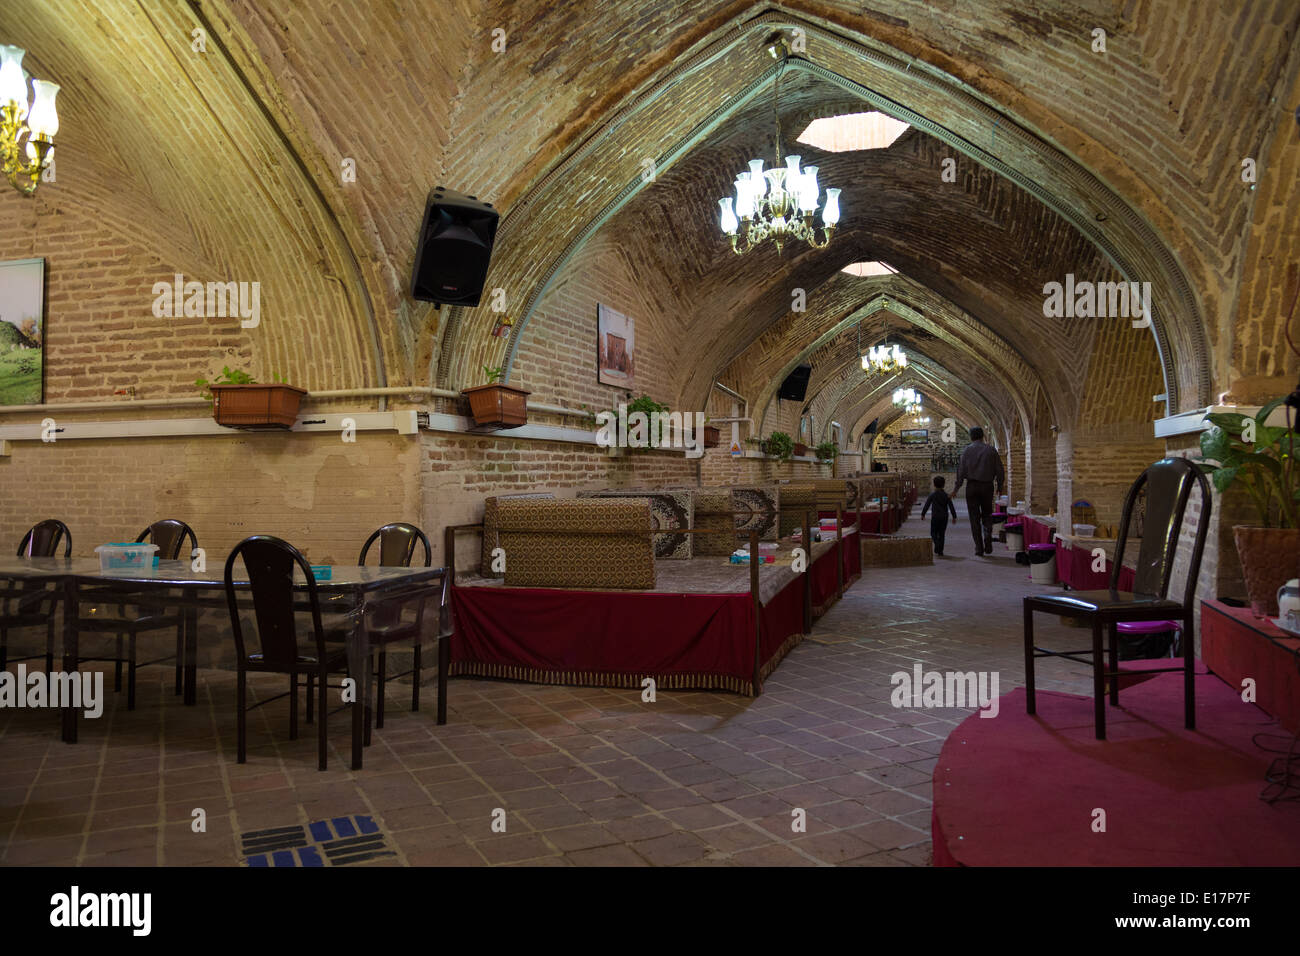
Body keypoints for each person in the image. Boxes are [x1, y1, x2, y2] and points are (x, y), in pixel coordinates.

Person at [952, 426, 1005, 557]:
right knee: (987, 514)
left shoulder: (966, 451)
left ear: (971, 437)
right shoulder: (991, 450)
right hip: (987, 486)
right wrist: (1000, 486)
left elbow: (961, 472)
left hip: (972, 487)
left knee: (974, 518)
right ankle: (987, 539)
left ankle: (978, 548)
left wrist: (956, 489)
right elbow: (1000, 470)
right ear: (983, 436)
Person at [920, 475, 959, 557]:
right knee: (942, 534)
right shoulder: (947, 495)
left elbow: (927, 505)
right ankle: (940, 551)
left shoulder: (932, 495)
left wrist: (923, 514)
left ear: (934, 485)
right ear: (944, 485)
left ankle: (937, 544)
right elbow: (951, 506)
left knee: (933, 532)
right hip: (944, 517)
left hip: (935, 517)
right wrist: (954, 516)